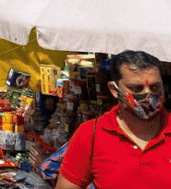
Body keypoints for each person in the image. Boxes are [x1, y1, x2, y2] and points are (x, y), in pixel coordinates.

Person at [56, 50, 171, 189]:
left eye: (155, 87)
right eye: (136, 88)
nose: (148, 94)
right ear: (114, 90)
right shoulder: (90, 134)